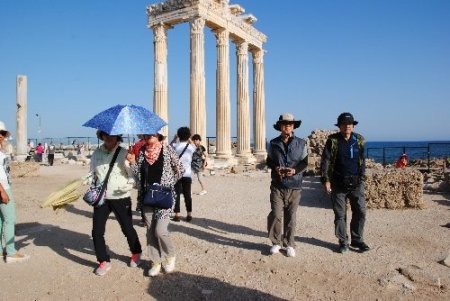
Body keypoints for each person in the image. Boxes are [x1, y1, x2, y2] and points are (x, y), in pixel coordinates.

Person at [128, 131, 184, 277]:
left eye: (151, 133)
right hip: (147, 196)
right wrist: (132, 162)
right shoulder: (141, 152)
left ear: (159, 135)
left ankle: (170, 255)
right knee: (150, 231)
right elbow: (138, 175)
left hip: (164, 196)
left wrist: (168, 184)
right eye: (146, 134)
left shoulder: (167, 149)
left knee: (160, 230)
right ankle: (156, 261)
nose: (148, 136)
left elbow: (180, 170)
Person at [89, 130, 142, 276]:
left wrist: (132, 164)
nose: (108, 138)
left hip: (121, 196)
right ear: (102, 137)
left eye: (112, 135)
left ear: (117, 137)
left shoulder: (125, 153)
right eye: (105, 135)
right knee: (97, 231)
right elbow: (92, 173)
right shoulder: (96, 154)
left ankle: (136, 252)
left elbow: (134, 176)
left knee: (127, 228)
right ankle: (103, 261)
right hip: (102, 198)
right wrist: (89, 184)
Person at [320, 112, 370, 253]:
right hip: (338, 183)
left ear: (353, 126)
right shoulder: (333, 140)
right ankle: (343, 242)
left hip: (356, 183)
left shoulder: (359, 140)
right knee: (340, 214)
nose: (347, 126)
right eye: (344, 124)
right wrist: (326, 180)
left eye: (349, 124)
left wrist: (362, 177)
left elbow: (362, 161)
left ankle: (357, 239)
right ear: (339, 126)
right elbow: (326, 161)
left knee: (360, 211)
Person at [266, 113, 308, 257]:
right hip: (277, 184)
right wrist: (276, 167)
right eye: (284, 124)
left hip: (294, 185)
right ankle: (276, 242)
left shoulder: (302, 143)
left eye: (290, 124)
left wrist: (295, 170)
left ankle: (289, 244)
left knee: (291, 216)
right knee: (276, 214)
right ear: (280, 127)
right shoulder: (273, 143)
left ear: (293, 126)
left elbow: (305, 162)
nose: (287, 127)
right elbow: (269, 160)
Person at [0, 121, 30, 263]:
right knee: (10, 220)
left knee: (1, 220)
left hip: (4, 186)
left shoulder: (1, 149)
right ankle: (11, 252)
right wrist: (2, 191)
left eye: (2, 133)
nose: (0, 136)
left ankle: (1, 250)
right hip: (2, 188)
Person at [171, 127, 196, 222]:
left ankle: (177, 214)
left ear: (179, 135)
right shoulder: (191, 147)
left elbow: (168, 147)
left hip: (177, 173)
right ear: (188, 135)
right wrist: (189, 138)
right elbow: (194, 146)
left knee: (176, 194)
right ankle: (189, 214)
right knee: (187, 194)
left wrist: (175, 138)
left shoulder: (174, 145)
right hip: (187, 173)